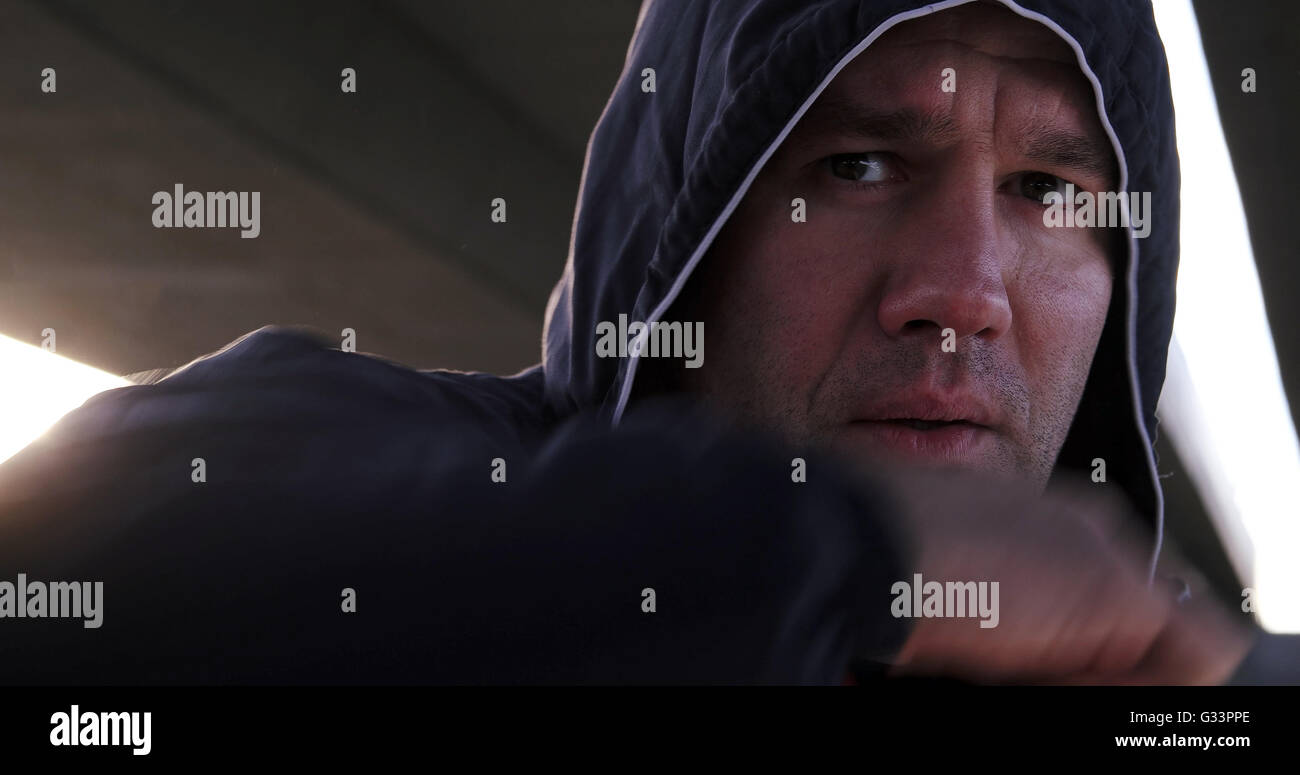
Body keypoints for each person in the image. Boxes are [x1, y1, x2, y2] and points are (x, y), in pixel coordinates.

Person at [0, 0, 1286, 684]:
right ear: (695, 230)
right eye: (855, 165)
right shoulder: (403, 471)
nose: (961, 290)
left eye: (1049, 195)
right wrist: (845, 553)